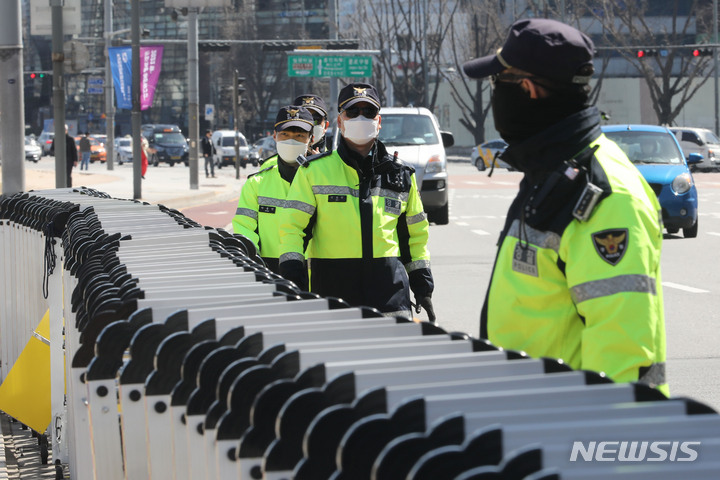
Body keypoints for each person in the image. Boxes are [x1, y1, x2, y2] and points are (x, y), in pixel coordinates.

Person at [462, 18, 667, 394]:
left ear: (527, 89)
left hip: (566, 431)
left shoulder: (605, 193)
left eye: (496, 82)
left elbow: (621, 356)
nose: (495, 95)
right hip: (533, 421)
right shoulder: (555, 173)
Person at [278, 83, 435, 320]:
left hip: (391, 296)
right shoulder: (312, 172)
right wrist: (293, 275)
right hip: (332, 296)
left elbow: (415, 235)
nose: (361, 117)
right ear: (340, 122)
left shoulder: (402, 174)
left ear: (379, 122)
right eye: (352, 112)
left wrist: (422, 286)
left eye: (368, 112)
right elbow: (292, 228)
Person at [232, 105, 315, 274]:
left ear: (311, 139)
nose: (291, 141)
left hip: (318, 273)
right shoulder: (256, 183)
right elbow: (244, 230)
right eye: (285, 135)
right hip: (270, 273)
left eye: (299, 136)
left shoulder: (322, 181)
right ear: (274, 136)